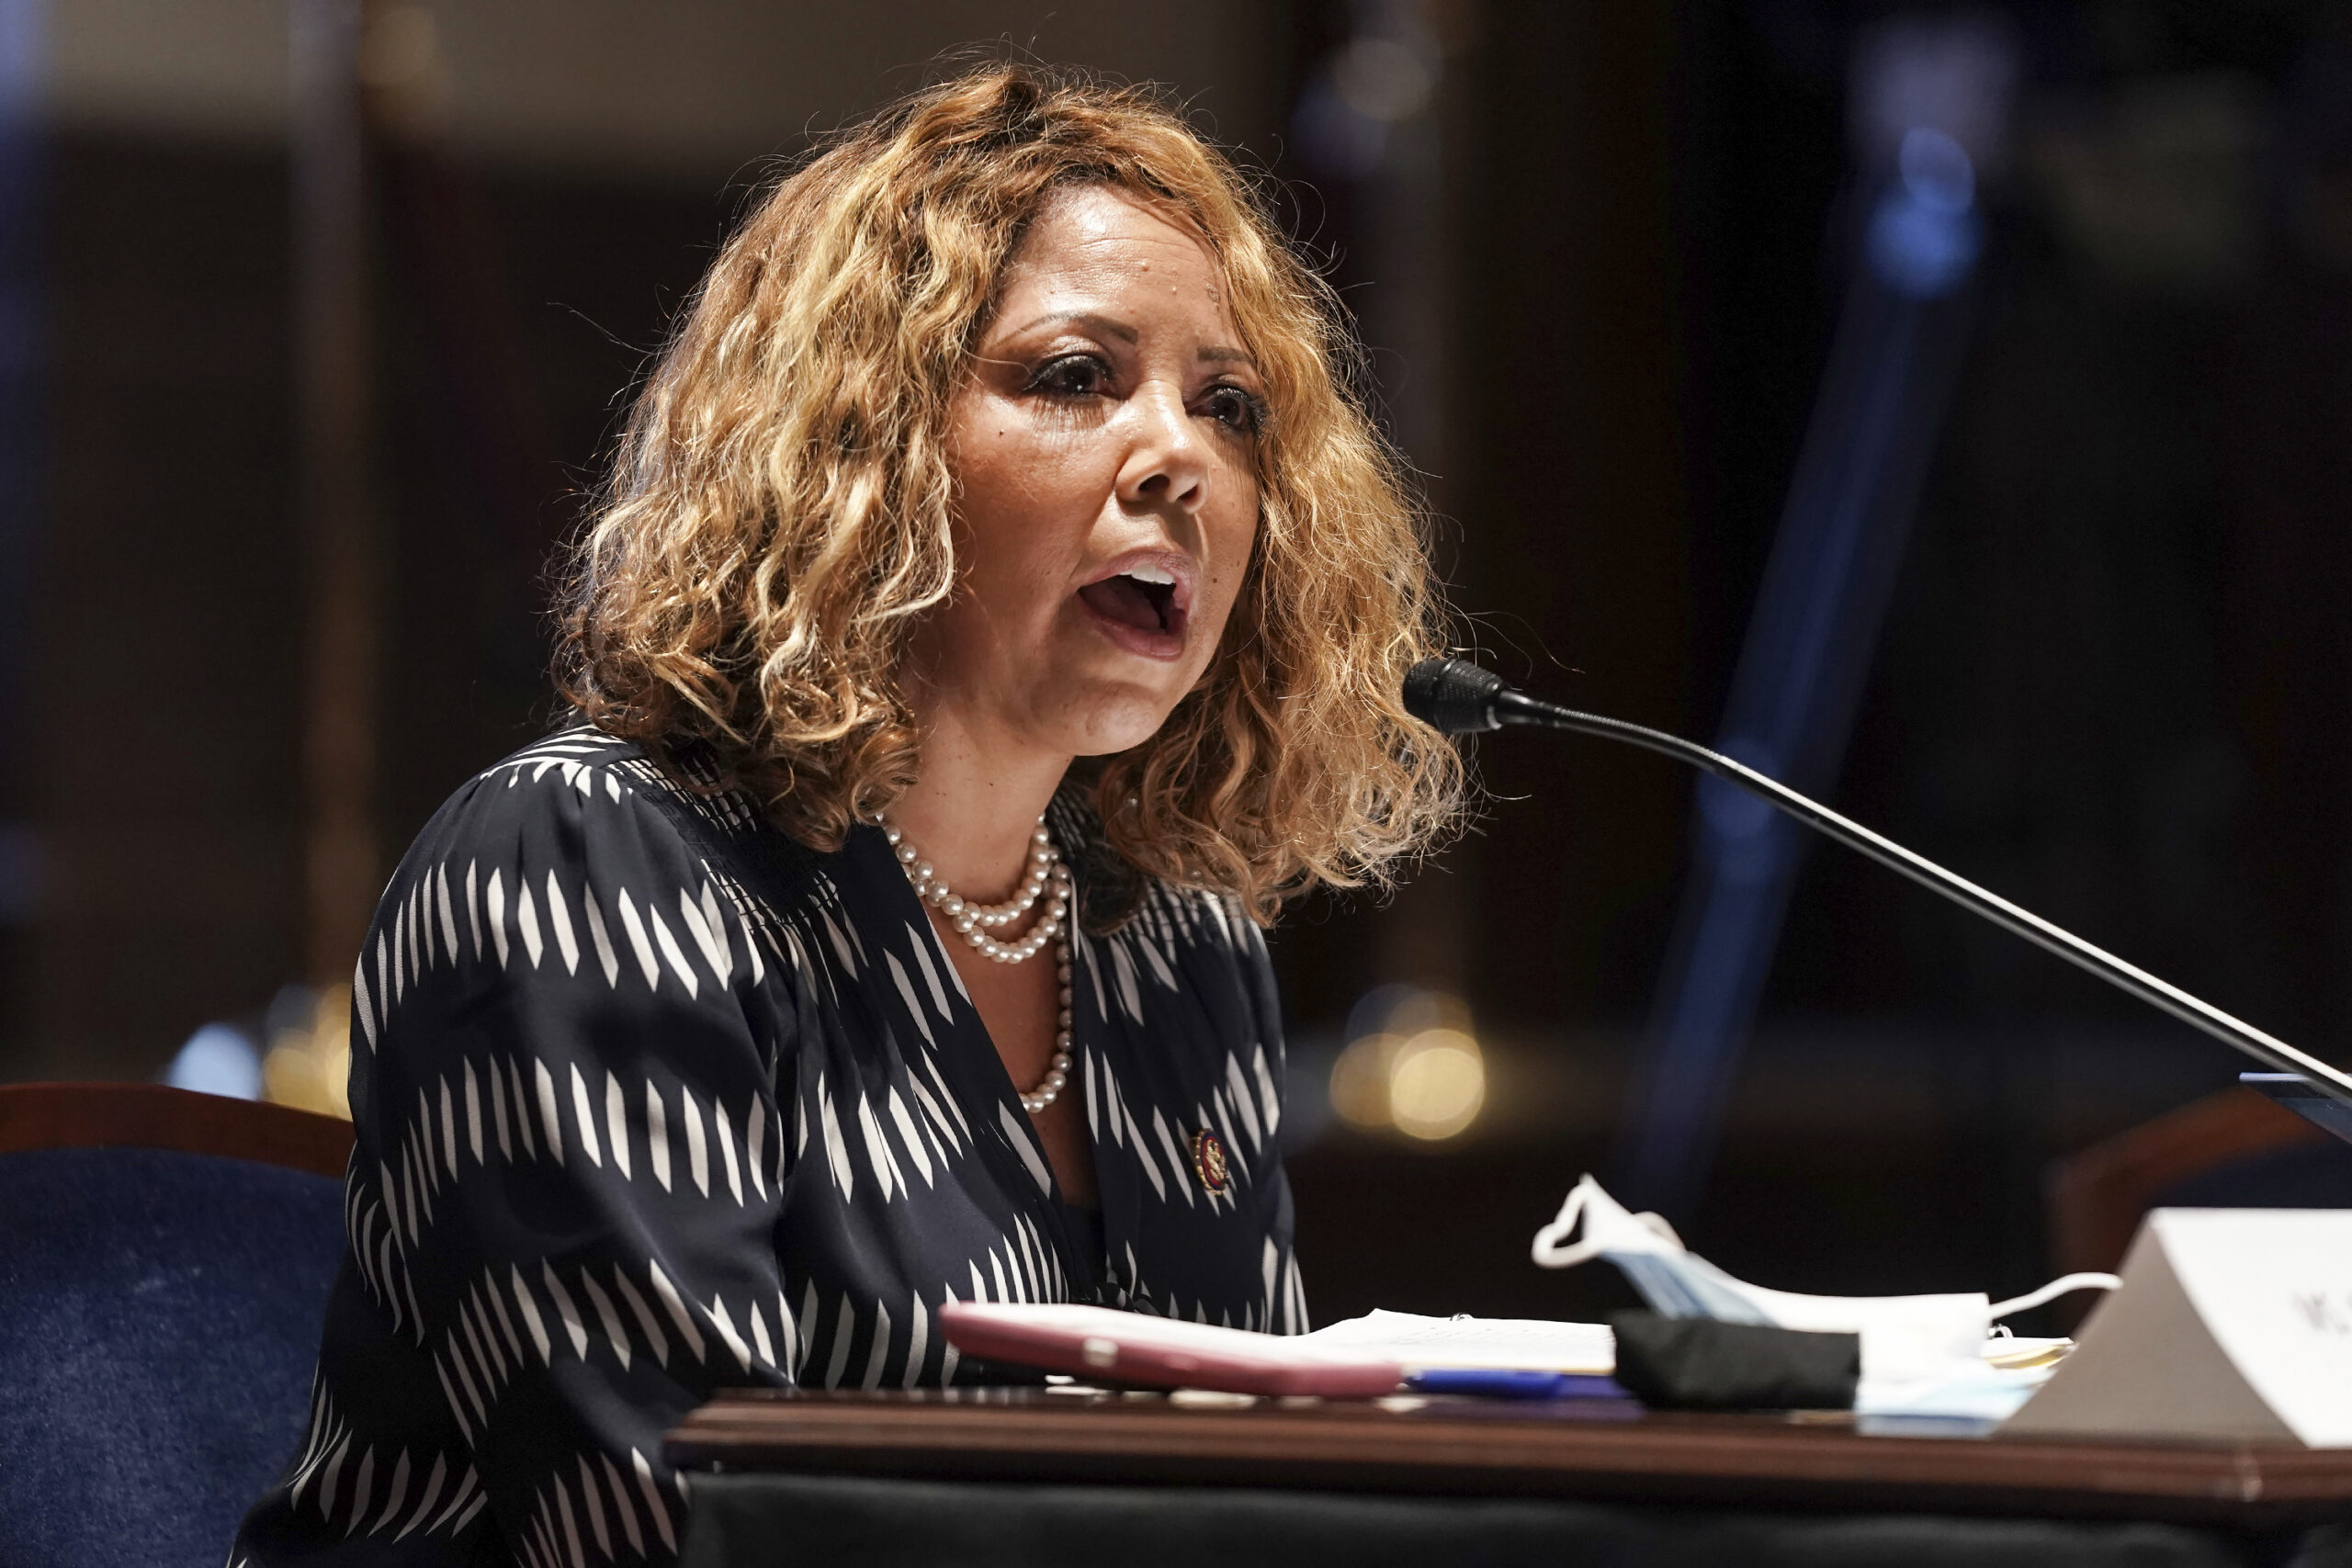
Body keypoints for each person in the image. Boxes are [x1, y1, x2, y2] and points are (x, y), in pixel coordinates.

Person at [232, 62, 1460, 1566]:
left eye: (1231, 407)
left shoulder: (1175, 945)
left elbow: (1257, 1510)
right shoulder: (583, 868)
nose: (1183, 461)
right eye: (1075, 378)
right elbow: (675, 1527)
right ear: (861, 450)